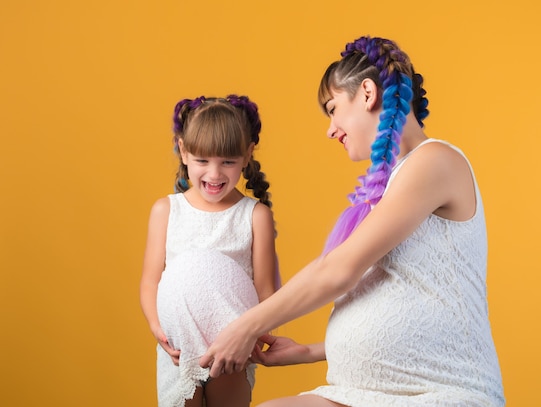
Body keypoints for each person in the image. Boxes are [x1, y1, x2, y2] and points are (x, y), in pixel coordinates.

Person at [200, 35, 505, 407]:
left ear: (366, 93)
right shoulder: (396, 185)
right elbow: (406, 297)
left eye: (332, 108)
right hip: (362, 394)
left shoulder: (434, 161)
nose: (330, 129)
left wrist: (246, 326)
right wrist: (311, 351)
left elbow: (337, 270)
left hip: (440, 393)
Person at [139, 95, 278, 407]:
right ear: (184, 152)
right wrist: (157, 328)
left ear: (247, 155)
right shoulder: (166, 210)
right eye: (203, 161)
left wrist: (251, 338)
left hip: (232, 346)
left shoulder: (254, 216)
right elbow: (150, 281)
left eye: (227, 162)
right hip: (178, 345)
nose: (215, 175)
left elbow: (266, 290)